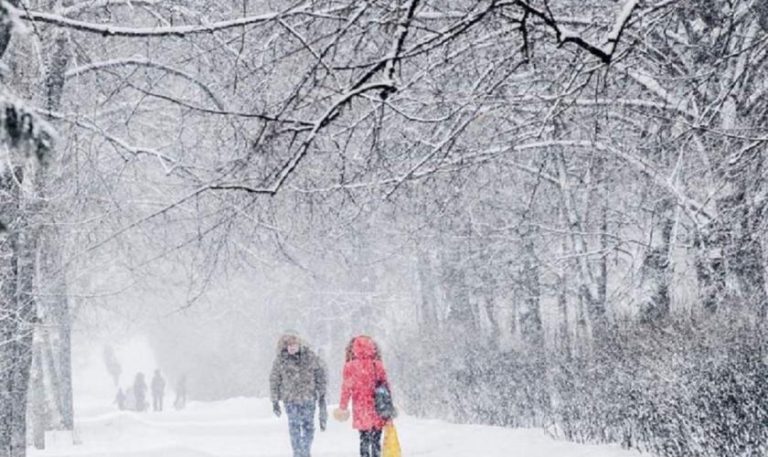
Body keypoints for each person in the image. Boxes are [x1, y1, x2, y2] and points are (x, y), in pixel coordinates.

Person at [270, 331, 328, 457]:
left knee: (308, 426)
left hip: (308, 398)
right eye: (289, 344)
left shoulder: (310, 357)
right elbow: (274, 380)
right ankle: (297, 452)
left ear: (299, 343)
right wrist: (275, 400)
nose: (292, 346)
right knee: (294, 426)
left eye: (294, 343)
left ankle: (305, 451)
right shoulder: (281, 360)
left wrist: (321, 393)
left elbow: (320, 375)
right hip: (290, 400)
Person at [337, 336, 391, 457]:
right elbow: (386, 387)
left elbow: (346, 389)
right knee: (376, 440)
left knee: (364, 440)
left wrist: (342, 407)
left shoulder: (350, 367)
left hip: (361, 409)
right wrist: (389, 407)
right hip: (377, 407)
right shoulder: (378, 365)